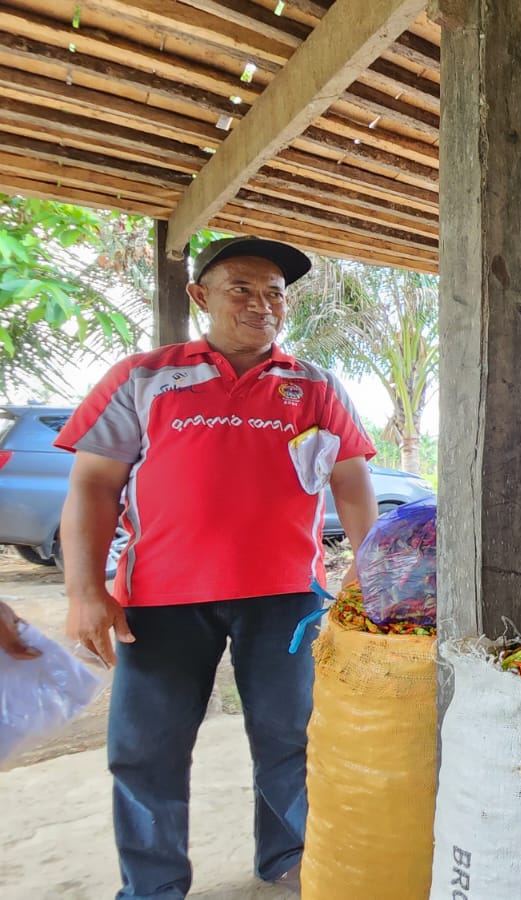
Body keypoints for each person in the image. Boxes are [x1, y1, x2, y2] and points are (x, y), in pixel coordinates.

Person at [56, 235, 379, 898]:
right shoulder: (144, 376)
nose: (261, 304)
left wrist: (369, 573)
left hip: (287, 599)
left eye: (274, 294)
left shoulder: (313, 385)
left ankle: (289, 862)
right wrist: (84, 591)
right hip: (158, 599)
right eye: (243, 289)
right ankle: (152, 885)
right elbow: (92, 485)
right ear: (201, 297)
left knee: (293, 740)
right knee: (146, 751)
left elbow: (350, 480)